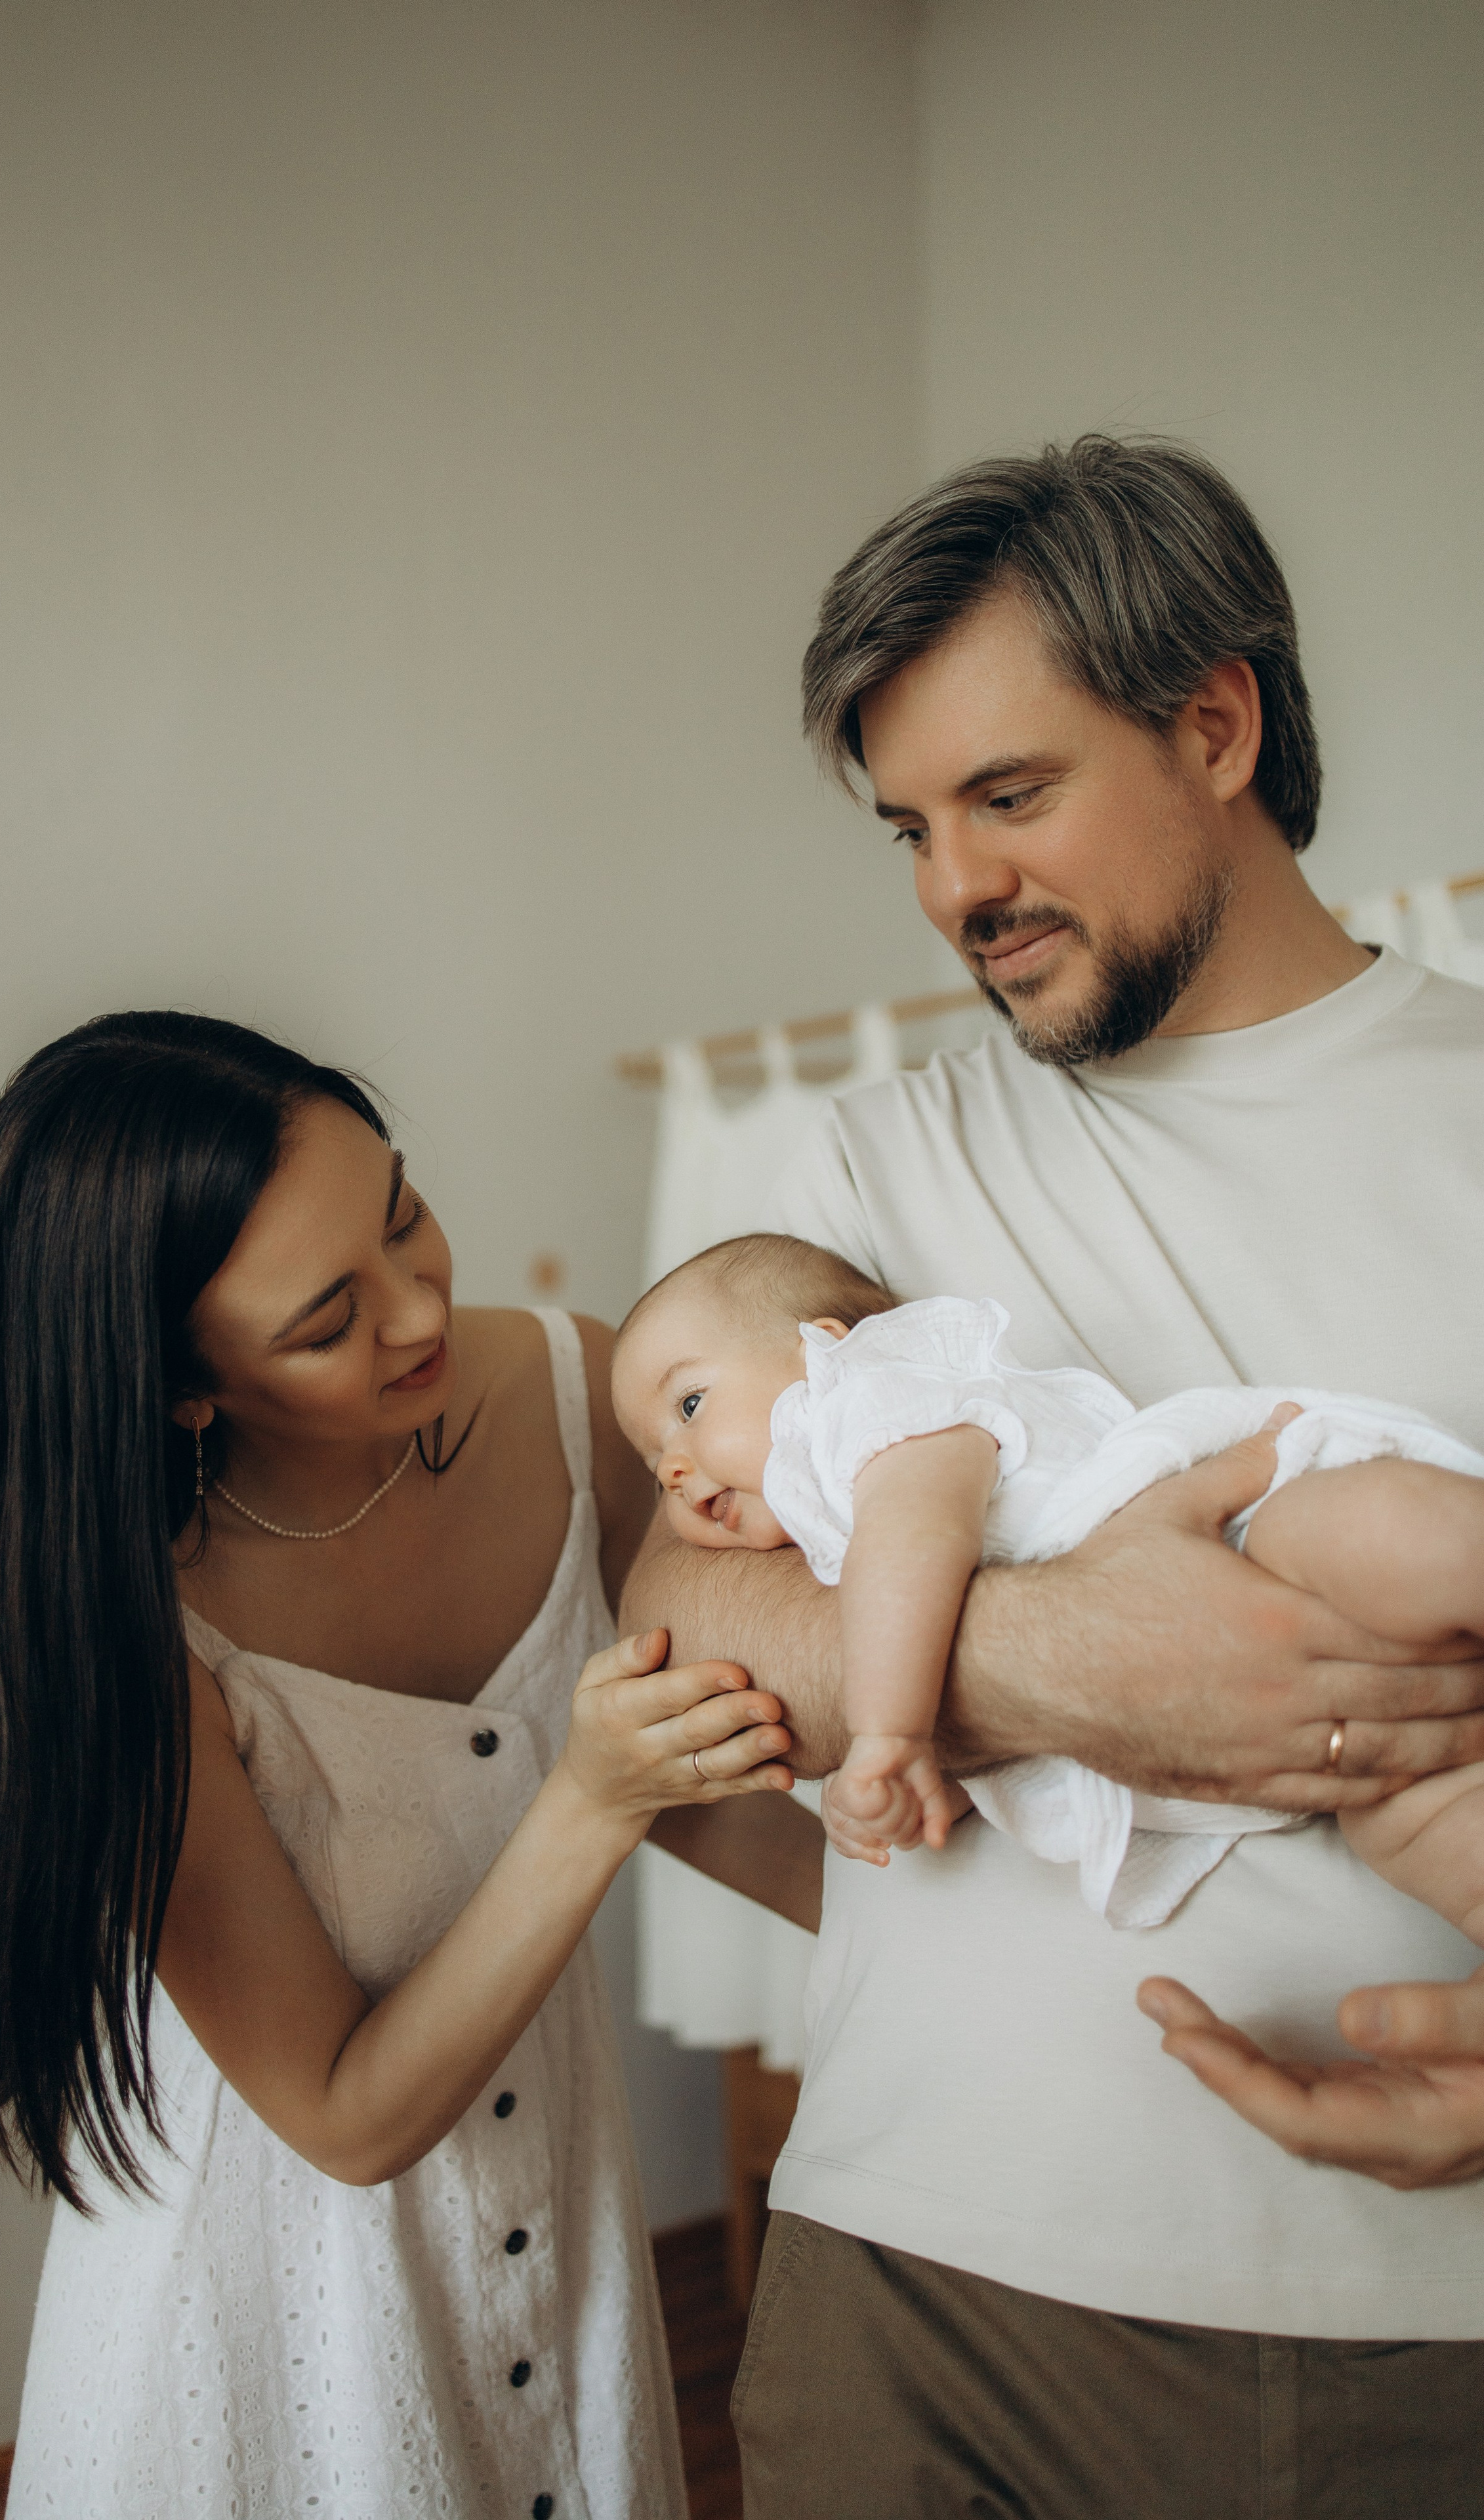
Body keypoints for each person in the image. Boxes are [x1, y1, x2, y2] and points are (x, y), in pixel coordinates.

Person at [619, 436, 1484, 2515]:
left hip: (1432, 2319)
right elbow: (680, 1621)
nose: (952, 890)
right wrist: (1068, 1659)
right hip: (923, 2289)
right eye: (911, 825)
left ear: (1216, 724)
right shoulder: (866, 1173)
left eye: (1009, 796)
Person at [0, 1010, 806, 2520]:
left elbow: (694, 1764)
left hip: (558, 2252)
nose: (417, 1314)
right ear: (178, 1386)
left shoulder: (567, 1393)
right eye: (326, 1322)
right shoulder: (121, 1629)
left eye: (404, 1216)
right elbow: (344, 2116)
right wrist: (588, 1796)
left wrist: (952, 1913)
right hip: (272, 2325)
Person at [611, 1232, 1484, 1927]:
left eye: (689, 1406)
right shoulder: (821, 1537)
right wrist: (917, 1794)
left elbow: (918, 1539)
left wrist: (886, 1735)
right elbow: (986, 1731)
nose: (677, 1471)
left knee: (1388, 1528)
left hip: (1251, 1535)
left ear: (823, 1349)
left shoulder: (872, 1402)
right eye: (655, 1463)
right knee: (1414, 1825)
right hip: (1269, 1747)